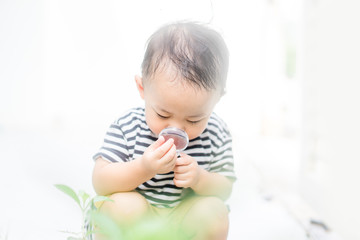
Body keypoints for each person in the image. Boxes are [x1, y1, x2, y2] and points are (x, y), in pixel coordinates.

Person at [92, 21, 236, 240]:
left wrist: (199, 178)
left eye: (194, 118)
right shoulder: (127, 126)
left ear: (216, 101)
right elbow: (101, 182)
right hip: (137, 225)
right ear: (142, 89)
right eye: (163, 115)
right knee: (120, 206)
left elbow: (224, 190)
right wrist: (143, 167)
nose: (176, 129)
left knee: (214, 211)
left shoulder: (216, 133)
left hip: (182, 224)